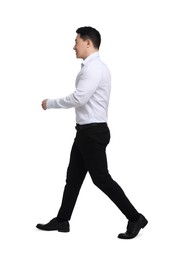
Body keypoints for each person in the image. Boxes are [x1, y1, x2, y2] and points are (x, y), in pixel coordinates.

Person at [36, 26, 148, 239]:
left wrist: (50, 103)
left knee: (101, 179)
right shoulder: (93, 67)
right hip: (86, 132)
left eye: (76, 41)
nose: (73, 46)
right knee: (74, 178)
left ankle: (135, 218)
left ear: (88, 43)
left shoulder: (93, 69)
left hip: (92, 133)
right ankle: (62, 220)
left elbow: (79, 98)